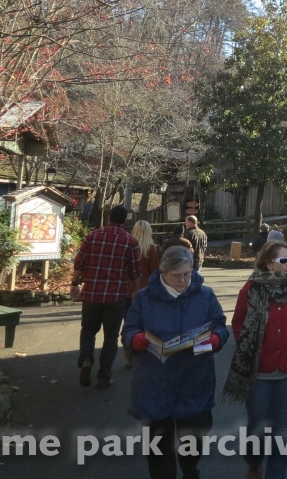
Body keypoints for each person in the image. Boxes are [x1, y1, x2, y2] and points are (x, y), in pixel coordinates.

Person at [123, 246, 229, 479]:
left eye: (187, 274)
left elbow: (220, 325)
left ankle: (190, 468)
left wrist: (216, 339)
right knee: (158, 447)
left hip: (194, 379)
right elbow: (129, 330)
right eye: (176, 276)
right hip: (154, 381)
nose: (183, 280)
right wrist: (136, 339)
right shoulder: (144, 298)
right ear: (163, 272)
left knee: (194, 438)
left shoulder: (205, 295)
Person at [224, 240, 287, 479]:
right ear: (269, 264)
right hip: (259, 371)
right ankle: (254, 461)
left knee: (282, 430)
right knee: (258, 425)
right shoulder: (251, 288)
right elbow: (238, 322)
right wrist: (248, 348)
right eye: (284, 260)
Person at [71, 204, 141, 390]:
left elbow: (79, 262)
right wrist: (135, 291)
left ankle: (87, 358)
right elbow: (135, 271)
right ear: (124, 220)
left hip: (92, 293)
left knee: (88, 329)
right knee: (111, 337)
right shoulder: (130, 242)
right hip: (116, 296)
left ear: (109, 217)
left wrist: (74, 284)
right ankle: (104, 376)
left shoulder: (92, 236)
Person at [123, 220, 160, 369]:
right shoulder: (150, 249)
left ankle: (128, 353)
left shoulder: (127, 246)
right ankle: (144, 352)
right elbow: (155, 271)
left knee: (128, 322)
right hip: (145, 291)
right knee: (145, 323)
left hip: (127, 289)